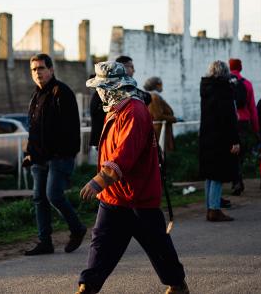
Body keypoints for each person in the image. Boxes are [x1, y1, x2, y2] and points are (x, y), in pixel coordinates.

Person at [77, 62, 188, 294]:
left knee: (157, 244)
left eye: (102, 88)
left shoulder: (134, 112)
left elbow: (123, 155)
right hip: (113, 195)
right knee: (101, 244)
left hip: (138, 195)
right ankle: (87, 287)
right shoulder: (116, 110)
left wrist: (98, 180)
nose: (99, 93)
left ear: (114, 88)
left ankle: (177, 284)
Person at [23, 53, 86, 256]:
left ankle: (77, 229)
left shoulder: (62, 92)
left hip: (59, 157)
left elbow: (70, 128)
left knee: (53, 195)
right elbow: (33, 128)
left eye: (41, 68)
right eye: (34, 69)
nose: (38, 72)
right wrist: (29, 152)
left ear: (51, 70)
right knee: (39, 199)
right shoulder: (35, 95)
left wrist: (63, 153)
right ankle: (45, 242)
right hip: (38, 158)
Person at [198, 61, 241, 222]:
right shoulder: (223, 89)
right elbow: (228, 118)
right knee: (217, 174)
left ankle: (210, 207)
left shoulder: (205, 86)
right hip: (220, 137)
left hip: (207, 135)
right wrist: (235, 141)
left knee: (210, 174)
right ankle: (215, 209)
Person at [89, 55, 149, 149]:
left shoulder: (132, 106)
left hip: (115, 143)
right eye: (131, 67)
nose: (134, 70)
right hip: (106, 141)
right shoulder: (104, 94)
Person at [228, 58, 258, 195]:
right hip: (244, 121)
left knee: (231, 152)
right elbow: (252, 107)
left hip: (230, 121)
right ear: (240, 68)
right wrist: (256, 127)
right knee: (240, 152)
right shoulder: (247, 84)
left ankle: (236, 181)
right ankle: (238, 179)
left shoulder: (225, 82)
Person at [143, 76, 178, 151]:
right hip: (158, 130)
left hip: (159, 129)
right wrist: (174, 119)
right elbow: (158, 116)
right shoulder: (154, 97)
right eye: (161, 84)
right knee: (160, 153)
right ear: (157, 85)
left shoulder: (154, 96)